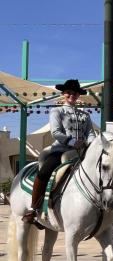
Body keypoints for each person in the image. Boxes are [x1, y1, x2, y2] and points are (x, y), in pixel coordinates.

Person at [22, 79, 96, 223]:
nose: (72, 95)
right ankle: (34, 208)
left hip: (81, 152)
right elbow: (55, 132)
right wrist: (73, 142)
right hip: (61, 150)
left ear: (78, 95)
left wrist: (92, 143)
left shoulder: (85, 115)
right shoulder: (57, 111)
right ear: (64, 94)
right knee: (44, 172)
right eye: (69, 92)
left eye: (75, 93)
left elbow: (90, 133)